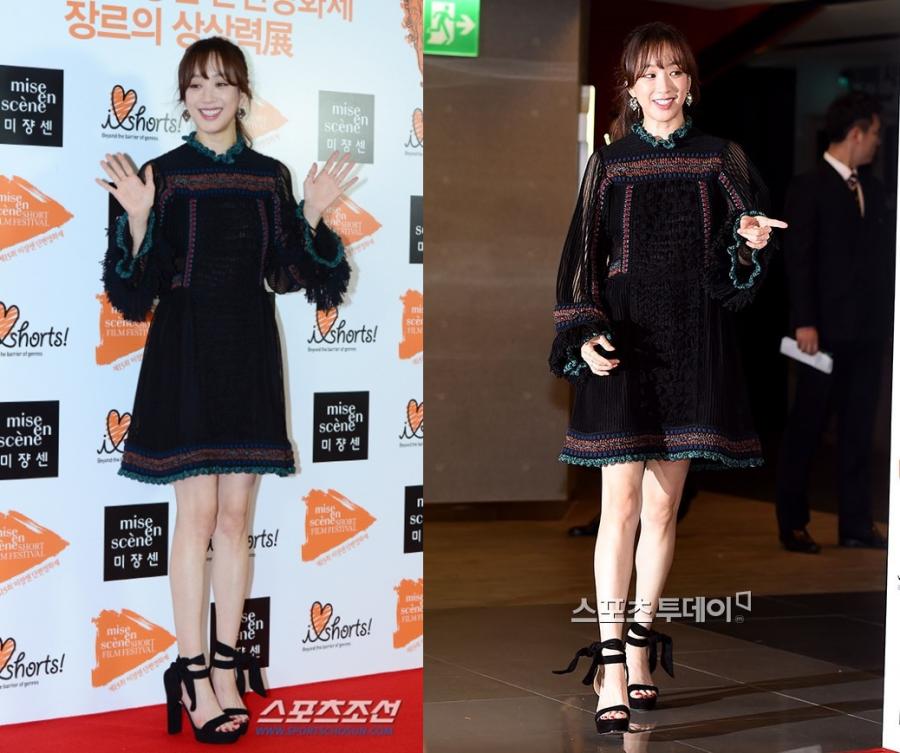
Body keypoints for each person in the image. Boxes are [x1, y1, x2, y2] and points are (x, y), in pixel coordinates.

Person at [97, 37, 357, 744]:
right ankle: (189, 671)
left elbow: (288, 273)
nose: (208, 96)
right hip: (185, 351)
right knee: (199, 516)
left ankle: (223, 666)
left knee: (236, 519)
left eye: (221, 83)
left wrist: (311, 213)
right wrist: (139, 218)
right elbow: (133, 292)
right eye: (195, 85)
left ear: (243, 93)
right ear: (183, 97)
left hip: (247, 350)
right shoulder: (160, 174)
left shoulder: (269, 177)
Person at [549, 22, 786, 735]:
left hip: (691, 343)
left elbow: (736, 267)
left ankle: (640, 644)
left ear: (691, 83)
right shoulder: (610, 163)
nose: (663, 85)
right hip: (625, 341)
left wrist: (749, 243)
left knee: (661, 510)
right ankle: (611, 663)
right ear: (630, 87)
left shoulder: (721, 157)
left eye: (675, 71)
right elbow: (581, 258)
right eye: (648, 73)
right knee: (618, 506)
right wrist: (584, 332)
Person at [776, 92, 891, 554]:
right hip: (819, 335)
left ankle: (856, 525)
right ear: (856, 133)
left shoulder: (873, 189)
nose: (878, 142)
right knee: (807, 426)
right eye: (875, 133)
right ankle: (792, 523)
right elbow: (799, 260)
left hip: (866, 333)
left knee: (858, 429)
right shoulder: (809, 186)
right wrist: (805, 321)